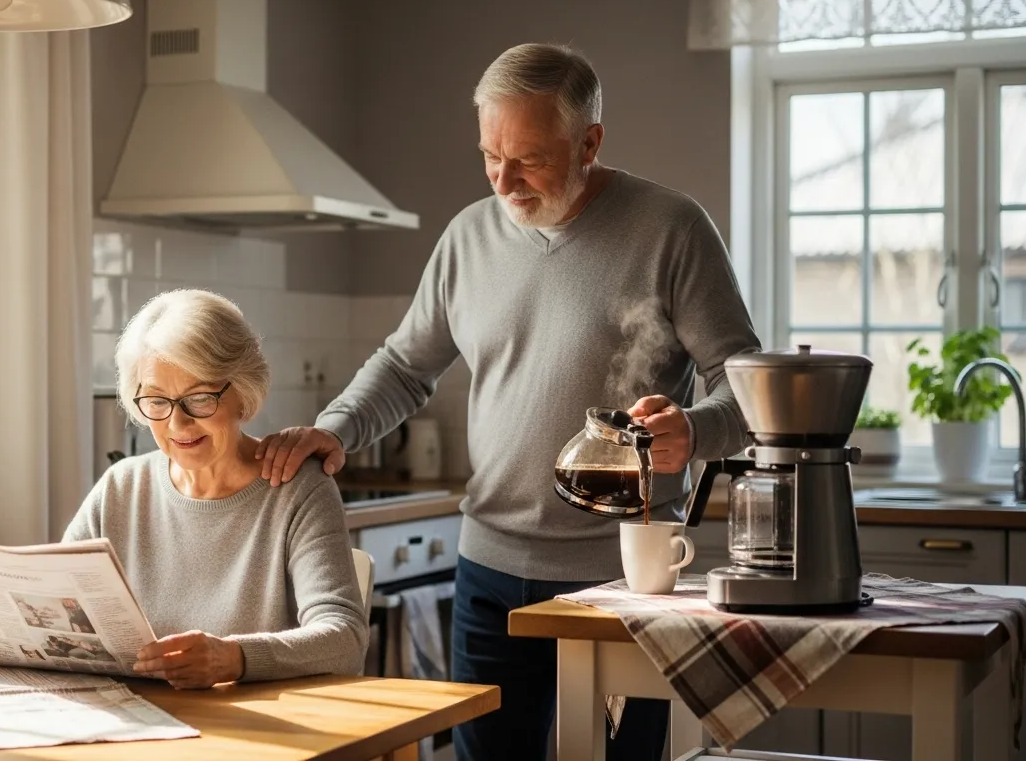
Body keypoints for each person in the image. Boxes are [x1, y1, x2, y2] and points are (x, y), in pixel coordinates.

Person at [254, 43, 760, 760]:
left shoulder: (671, 229)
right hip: (489, 569)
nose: (504, 179)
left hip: (625, 575)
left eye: (528, 158)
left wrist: (695, 432)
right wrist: (335, 430)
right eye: (490, 154)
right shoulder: (468, 237)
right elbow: (403, 366)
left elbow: (746, 389)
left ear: (590, 142)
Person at [0, 289, 370, 689]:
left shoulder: (298, 489)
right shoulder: (122, 486)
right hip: (134, 728)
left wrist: (232, 658)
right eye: (156, 401)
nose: (177, 424)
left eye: (198, 398)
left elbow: (344, 638)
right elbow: (52, 616)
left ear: (243, 393)